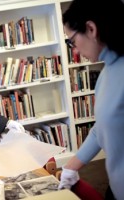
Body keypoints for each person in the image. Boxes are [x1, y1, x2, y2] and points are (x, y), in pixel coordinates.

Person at [59, 0, 124, 199]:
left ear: (91, 29)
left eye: (71, 41)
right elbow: (102, 127)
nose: (75, 50)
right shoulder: (105, 74)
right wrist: (71, 166)